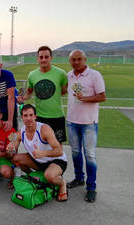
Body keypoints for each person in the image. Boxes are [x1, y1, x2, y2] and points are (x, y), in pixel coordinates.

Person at [66, 49, 106, 203]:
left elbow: (102, 96)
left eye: (78, 59)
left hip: (89, 123)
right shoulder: (69, 76)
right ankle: (79, 178)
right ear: (70, 61)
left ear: (85, 59)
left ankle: (91, 188)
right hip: (72, 121)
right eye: (73, 60)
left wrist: (85, 99)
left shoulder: (95, 75)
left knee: (90, 156)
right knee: (75, 152)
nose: (76, 62)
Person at [10, 104, 68, 201]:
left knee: (50, 176)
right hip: (38, 161)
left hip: (56, 160)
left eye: (31, 115)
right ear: (22, 117)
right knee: (15, 159)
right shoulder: (20, 132)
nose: (28, 118)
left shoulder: (45, 129)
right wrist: (10, 149)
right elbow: (11, 153)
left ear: (35, 116)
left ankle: (62, 184)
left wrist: (43, 153)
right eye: (25, 115)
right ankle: (32, 176)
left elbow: (59, 151)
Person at [18, 46, 68, 143]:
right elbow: (29, 92)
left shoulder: (61, 74)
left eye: (46, 57)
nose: (43, 59)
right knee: (41, 143)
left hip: (57, 116)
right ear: (37, 59)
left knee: (58, 145)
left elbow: (64, 91)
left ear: (51, 58)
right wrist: (22, 98)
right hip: (40, 116)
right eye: (41, 57)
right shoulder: (32, 75)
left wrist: (52, 96)